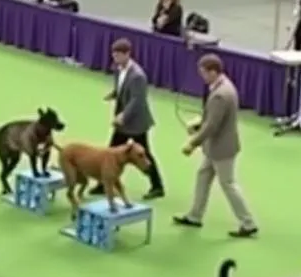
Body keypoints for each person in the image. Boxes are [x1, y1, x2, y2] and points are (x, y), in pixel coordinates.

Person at [172, 54, 258, 238]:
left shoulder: (219, 95)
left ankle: (248, 222)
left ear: (213, 71)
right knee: (203, 176)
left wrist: (193, 143)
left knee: (228, 184)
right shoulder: (224, 86)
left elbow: (212, 125)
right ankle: (195, 215)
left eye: (203, 73)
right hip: (216, 148)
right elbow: (212, 118)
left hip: (221, 149)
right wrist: (198, 123)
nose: (201, 76)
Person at [91, 38, 164, 200]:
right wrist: (114, 93)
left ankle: (157, 186)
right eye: (113, 55)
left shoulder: (138, 76)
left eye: (118, 55)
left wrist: (123, 116)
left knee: (145, 155)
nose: (115, 59)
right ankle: (103, 183)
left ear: (127, 54)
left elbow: (137, 100)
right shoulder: (118, 69)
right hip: (123, 122)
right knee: (110, 151)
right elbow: (122, 88)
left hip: (136, 123)